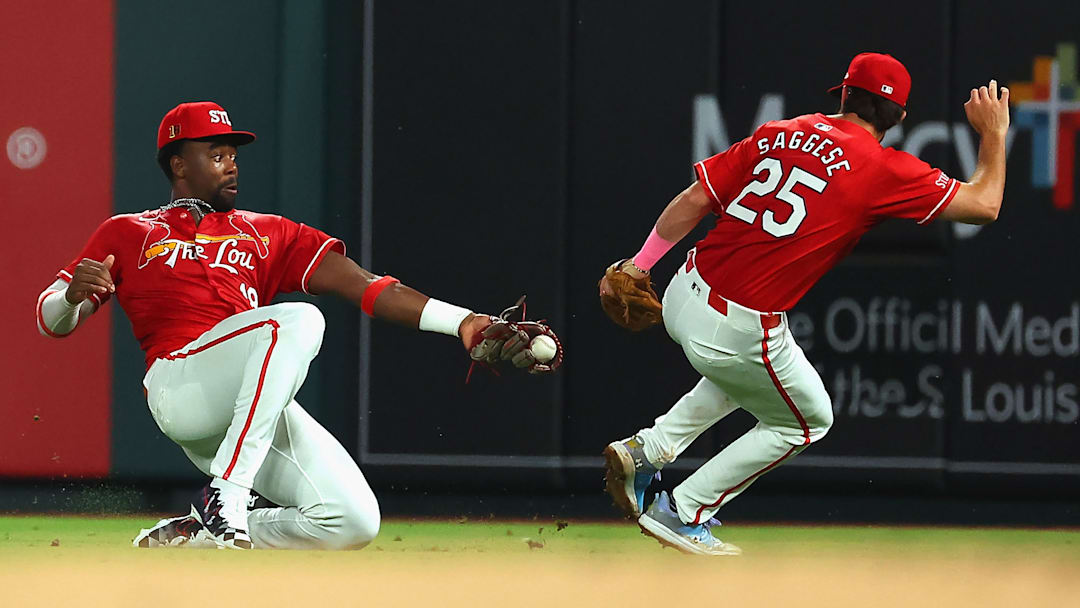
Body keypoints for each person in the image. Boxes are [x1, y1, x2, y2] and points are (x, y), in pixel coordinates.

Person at [35, 101, 520, 550]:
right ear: (179, 164)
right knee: (297, 319)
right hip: (181, 386)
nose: (231, 164)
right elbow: (51, 321)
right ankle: (227, 490)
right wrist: (71, 297)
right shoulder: (128, 229)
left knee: (351, 520)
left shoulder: (266, 231)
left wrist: (463, 322)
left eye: (233, 154)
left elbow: (368, 286)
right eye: (217, 153)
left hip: (250, 403)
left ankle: (196, 534)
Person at [600, 53, 1009, 555]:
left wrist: (640, 265)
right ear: (900, 118)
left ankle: (649, 450)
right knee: (807, 420)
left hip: (684, 291)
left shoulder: (778, 132)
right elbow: (985, 204)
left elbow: (695, 199)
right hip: (738, 324)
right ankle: (685, 511)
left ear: (842, 94)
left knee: (750, 378)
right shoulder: (883, 168)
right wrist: (993, 132)